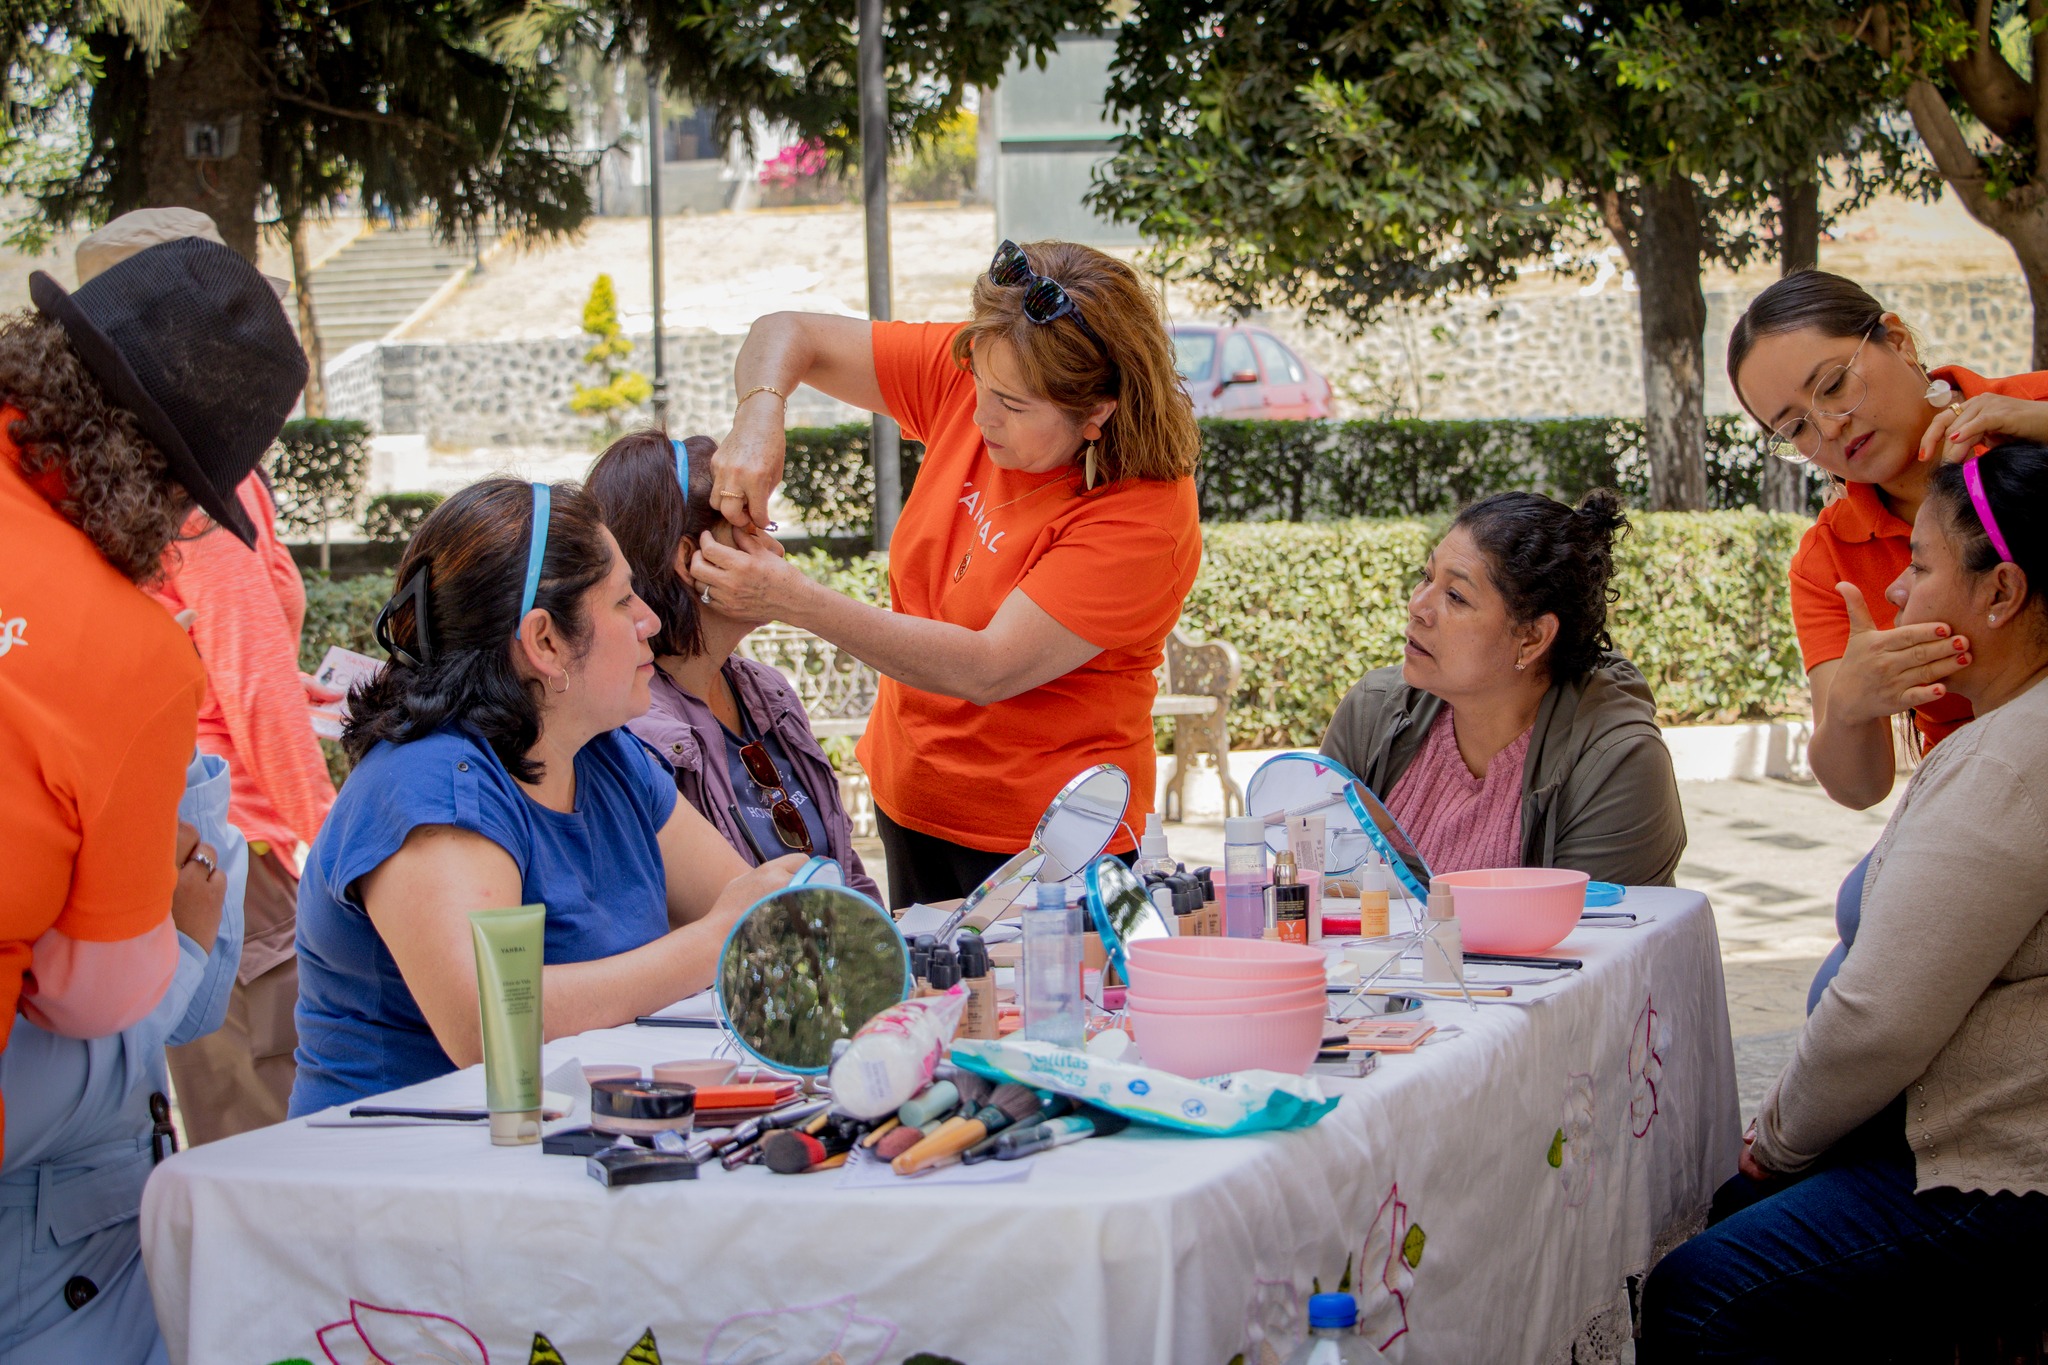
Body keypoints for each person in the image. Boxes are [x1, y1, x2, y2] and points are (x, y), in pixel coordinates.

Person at [1640, 444, 2048, 1361]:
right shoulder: (2009, 734)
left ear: (2002, 592)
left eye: (1921, 565)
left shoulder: (2011, 758)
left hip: (2000, 1170)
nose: (1898, 589)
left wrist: (1782, 1134)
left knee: (1697, 1294)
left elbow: (1880, 1019)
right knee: (1727, 1209)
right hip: (1967, 1139)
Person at [691, 239, 1203, 907]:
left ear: (1097, 411)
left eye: (1012, 405)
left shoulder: (1144, 515)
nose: (980, 413)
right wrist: (760, 415)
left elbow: (986, 668)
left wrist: (796, 600)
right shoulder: (990, 367)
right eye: (980, 384)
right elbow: (787, 332)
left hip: (1052, 843)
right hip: (912, 800)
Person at [289, 479, 799, 1116]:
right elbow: (488, 1023)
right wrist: (714, 943)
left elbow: (761, 917)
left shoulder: (604, 753)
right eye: (623, 600)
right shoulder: (431, 784)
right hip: (407, 1158)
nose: (650, 620)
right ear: (545, 642)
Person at [0, 235, 306, 1167]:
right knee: (138, 1040)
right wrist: (192, 917)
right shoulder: (132, 653)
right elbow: (95, 993)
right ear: (172, 489)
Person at [69, 209, 337, 1144]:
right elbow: (246, 681)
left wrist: (299, 693)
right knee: (260, 1126)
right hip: (229, 838)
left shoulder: (117, 469)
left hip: (176, 815)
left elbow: (226, 662)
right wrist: (334, 841)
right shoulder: (193, 483)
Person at [1727, 269, 2048, 811]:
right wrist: (1851, 706)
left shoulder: (2035, 406)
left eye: (1834, 386)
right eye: (1796, 428)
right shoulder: (1829, 561)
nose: (1829, 428)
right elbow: (1858, 788)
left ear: (1898, 342)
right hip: (1982, 806)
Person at [0, 752, 244, 1365]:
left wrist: (177, 760)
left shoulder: (106, 740)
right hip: (43, 1296)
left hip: (125, 1257)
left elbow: (197, 1013)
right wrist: (180, 951)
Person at [1320, 490, 1685, 886]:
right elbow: (1313, 887)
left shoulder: (1618, 762)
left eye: (1456, 596)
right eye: (1427, 577)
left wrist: (1386, 866)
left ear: (1532, 638)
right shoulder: (1372, 712)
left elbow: (1584, 922)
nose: (1418, 606)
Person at [587, 430, 883, 901]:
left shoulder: (768, 691)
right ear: (692, 560)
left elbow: (847, 873)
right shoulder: (636, 734)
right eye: (753, 533)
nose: (778, 554)